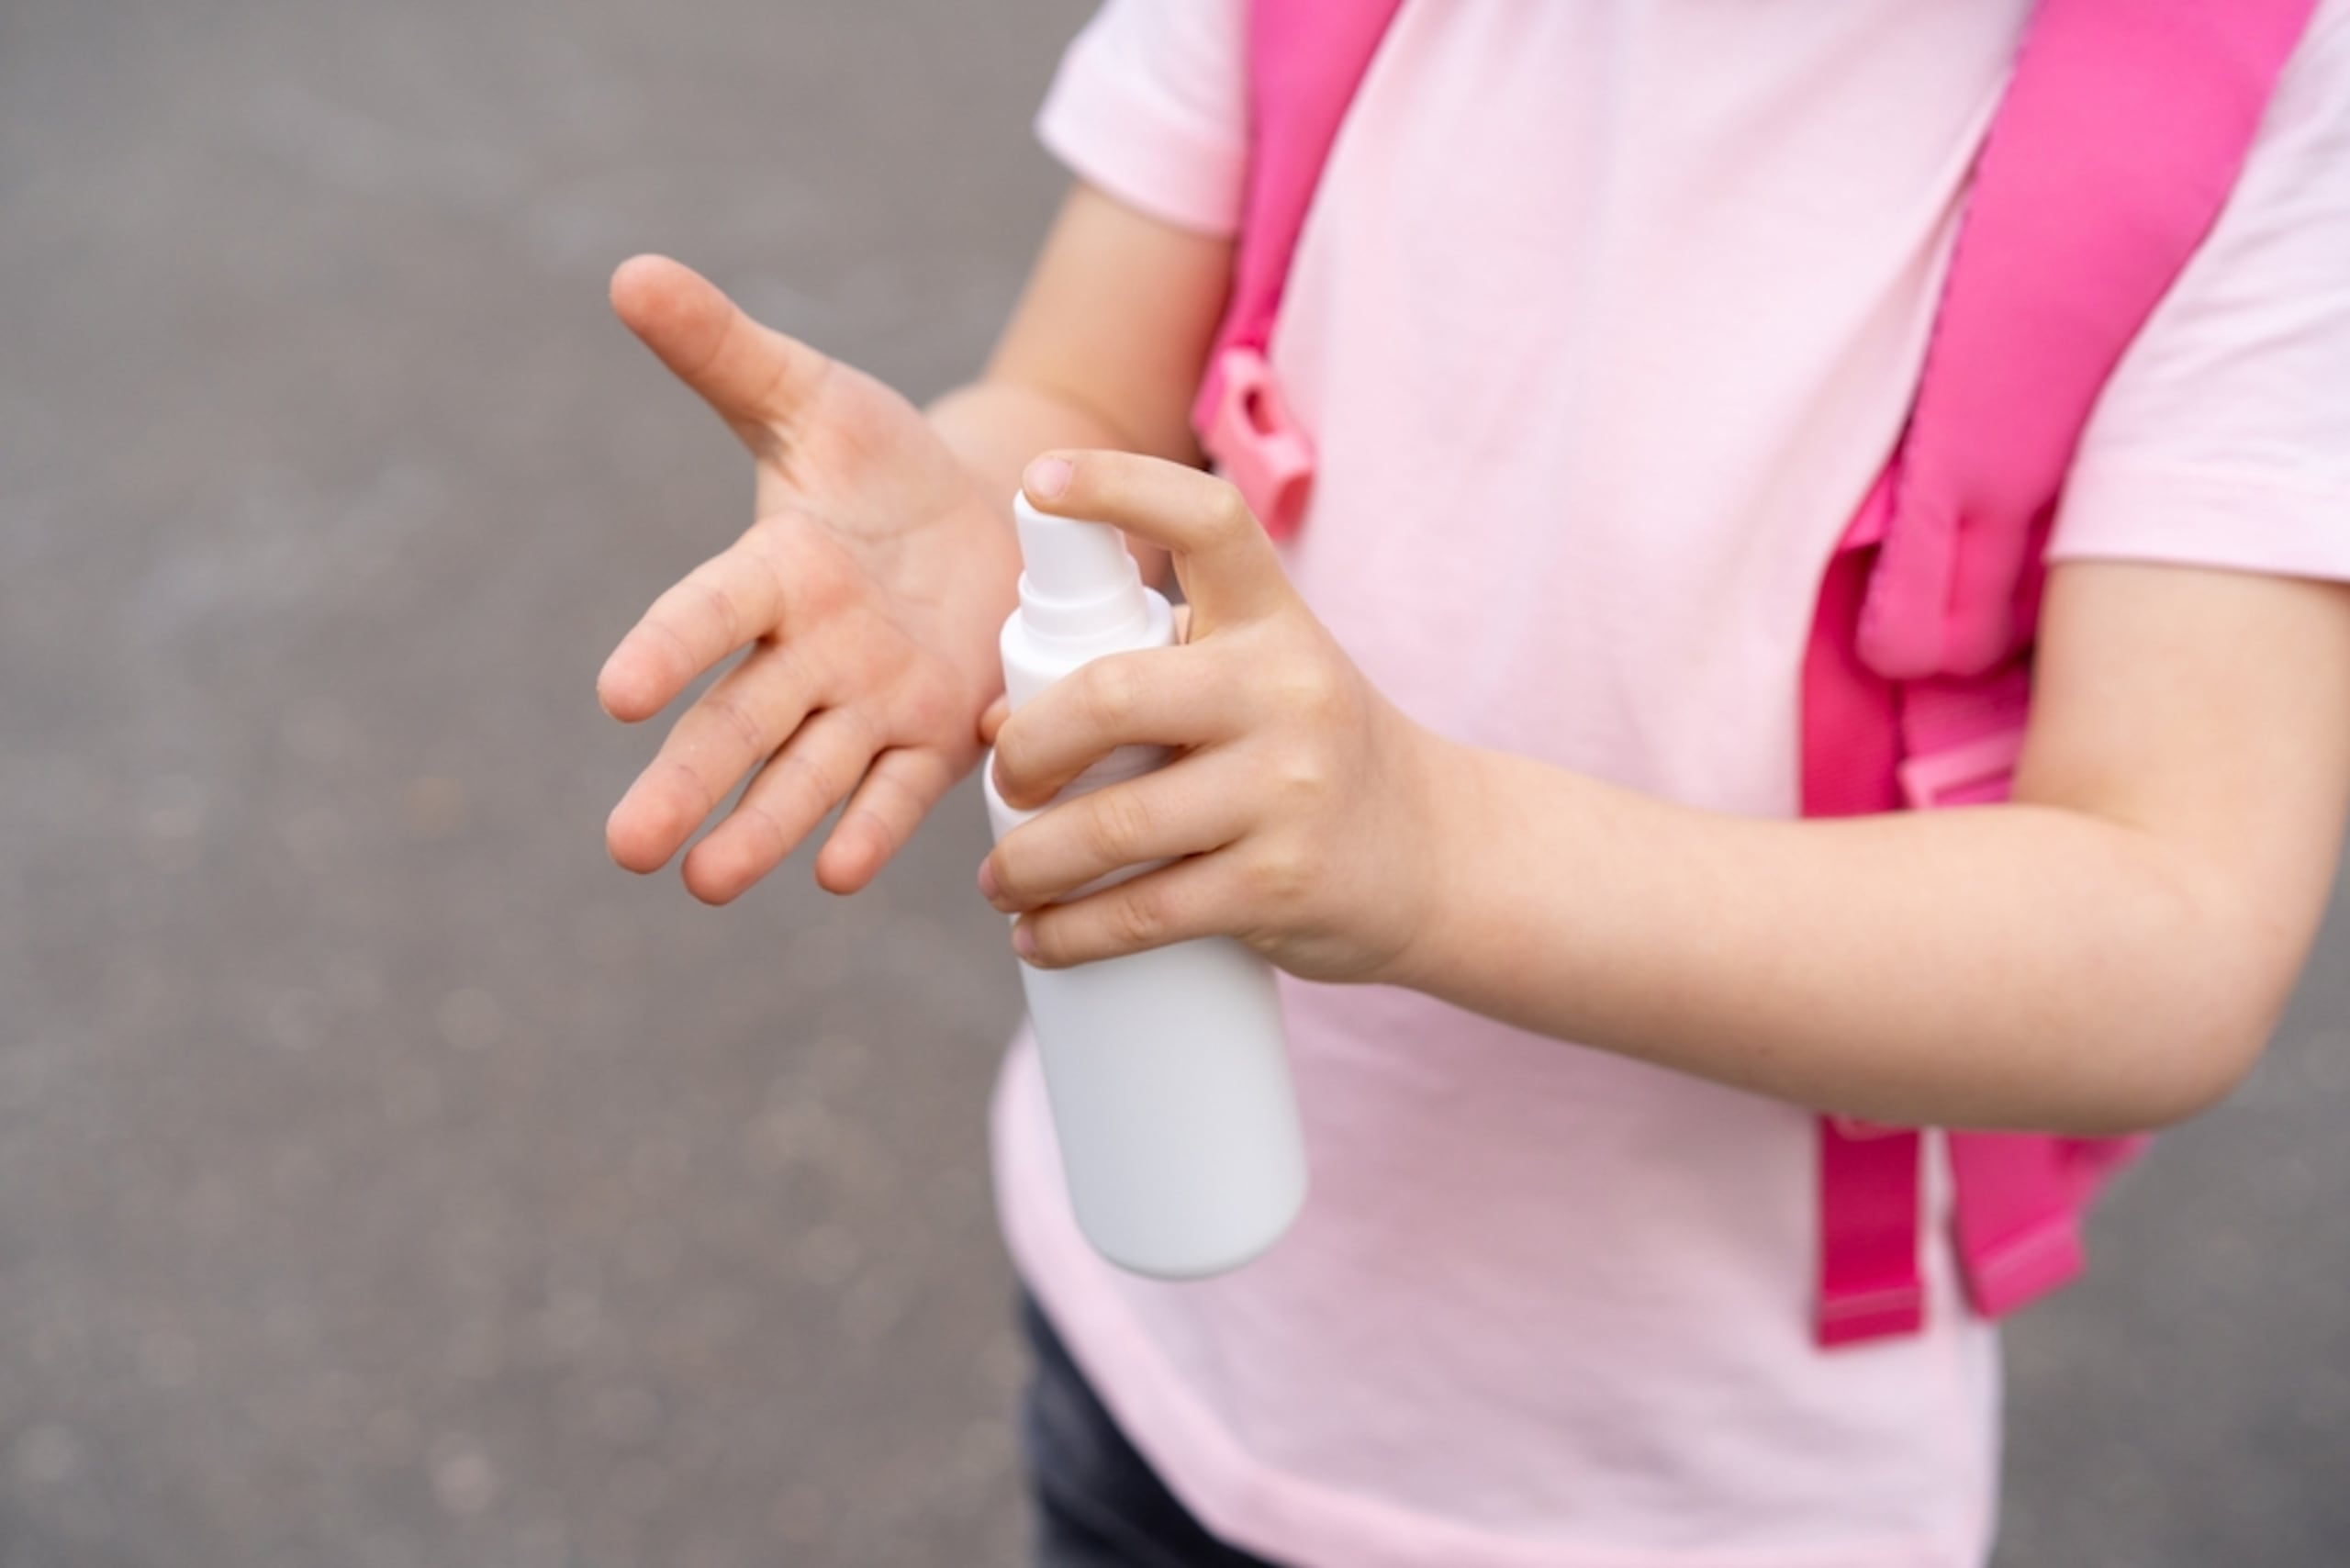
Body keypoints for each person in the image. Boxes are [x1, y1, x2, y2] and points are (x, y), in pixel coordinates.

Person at [596, 3, 2350, 1563]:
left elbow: (2174, 916)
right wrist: (978, 537)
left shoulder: (2249, 96)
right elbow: (1080, 395)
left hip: (1688, 1492)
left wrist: (1439, 854)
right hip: (1159, 1331)